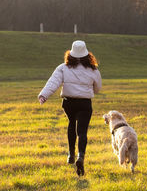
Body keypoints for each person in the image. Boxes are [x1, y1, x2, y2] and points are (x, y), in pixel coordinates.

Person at [38, 40, 102, 176]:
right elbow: (98, 88)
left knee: (72, 124)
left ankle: (71, 154)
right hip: (85, 103)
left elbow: (53, 82)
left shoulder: (63, 67)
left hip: (69, 103)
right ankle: (81, 156)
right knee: (82, 131)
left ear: (71, 53)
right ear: (86, 54)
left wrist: (44, 95)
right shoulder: (93, 69)